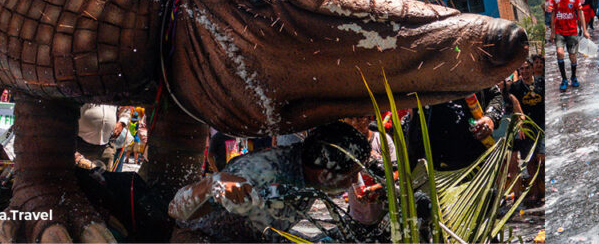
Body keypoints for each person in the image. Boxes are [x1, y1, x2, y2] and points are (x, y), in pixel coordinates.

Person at [169, 122, 369, 242]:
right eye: (352, 174)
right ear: (323, 174)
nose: (354, 181)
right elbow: (176, 211)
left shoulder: (309, 175)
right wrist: (213, 183)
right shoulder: (259, 172)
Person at [408, 87, 505, 171]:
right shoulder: (420, 68)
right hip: (428, 153)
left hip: (472, 152)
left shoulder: (474, 67)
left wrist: (490, 118)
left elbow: (496, 96)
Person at [509, 58, 545, 204]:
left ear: (532, 69)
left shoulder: (541, 82)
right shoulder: (515, 87)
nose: (524, 72)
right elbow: (514, 106)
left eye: (526, 68)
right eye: (521, 69)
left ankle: (544, 189)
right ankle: (534, 192)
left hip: (541, 124)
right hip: (526, 127)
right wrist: (520, 124)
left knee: (542, 157)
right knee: (529, 160)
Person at [552, 0, 587, 91]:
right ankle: (564, 79)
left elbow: (580, 13)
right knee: (559, 53)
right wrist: (552, 32)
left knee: (572, 56)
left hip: (572, 32)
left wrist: (585, 30)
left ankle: (573, 76)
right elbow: (553, 15)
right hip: (559, 32)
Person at [74, 104, 130, 170]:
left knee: (104, 178)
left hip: (106, 145)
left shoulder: (116, 94)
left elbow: (126, 108)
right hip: (80, 144)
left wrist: (122, 122)